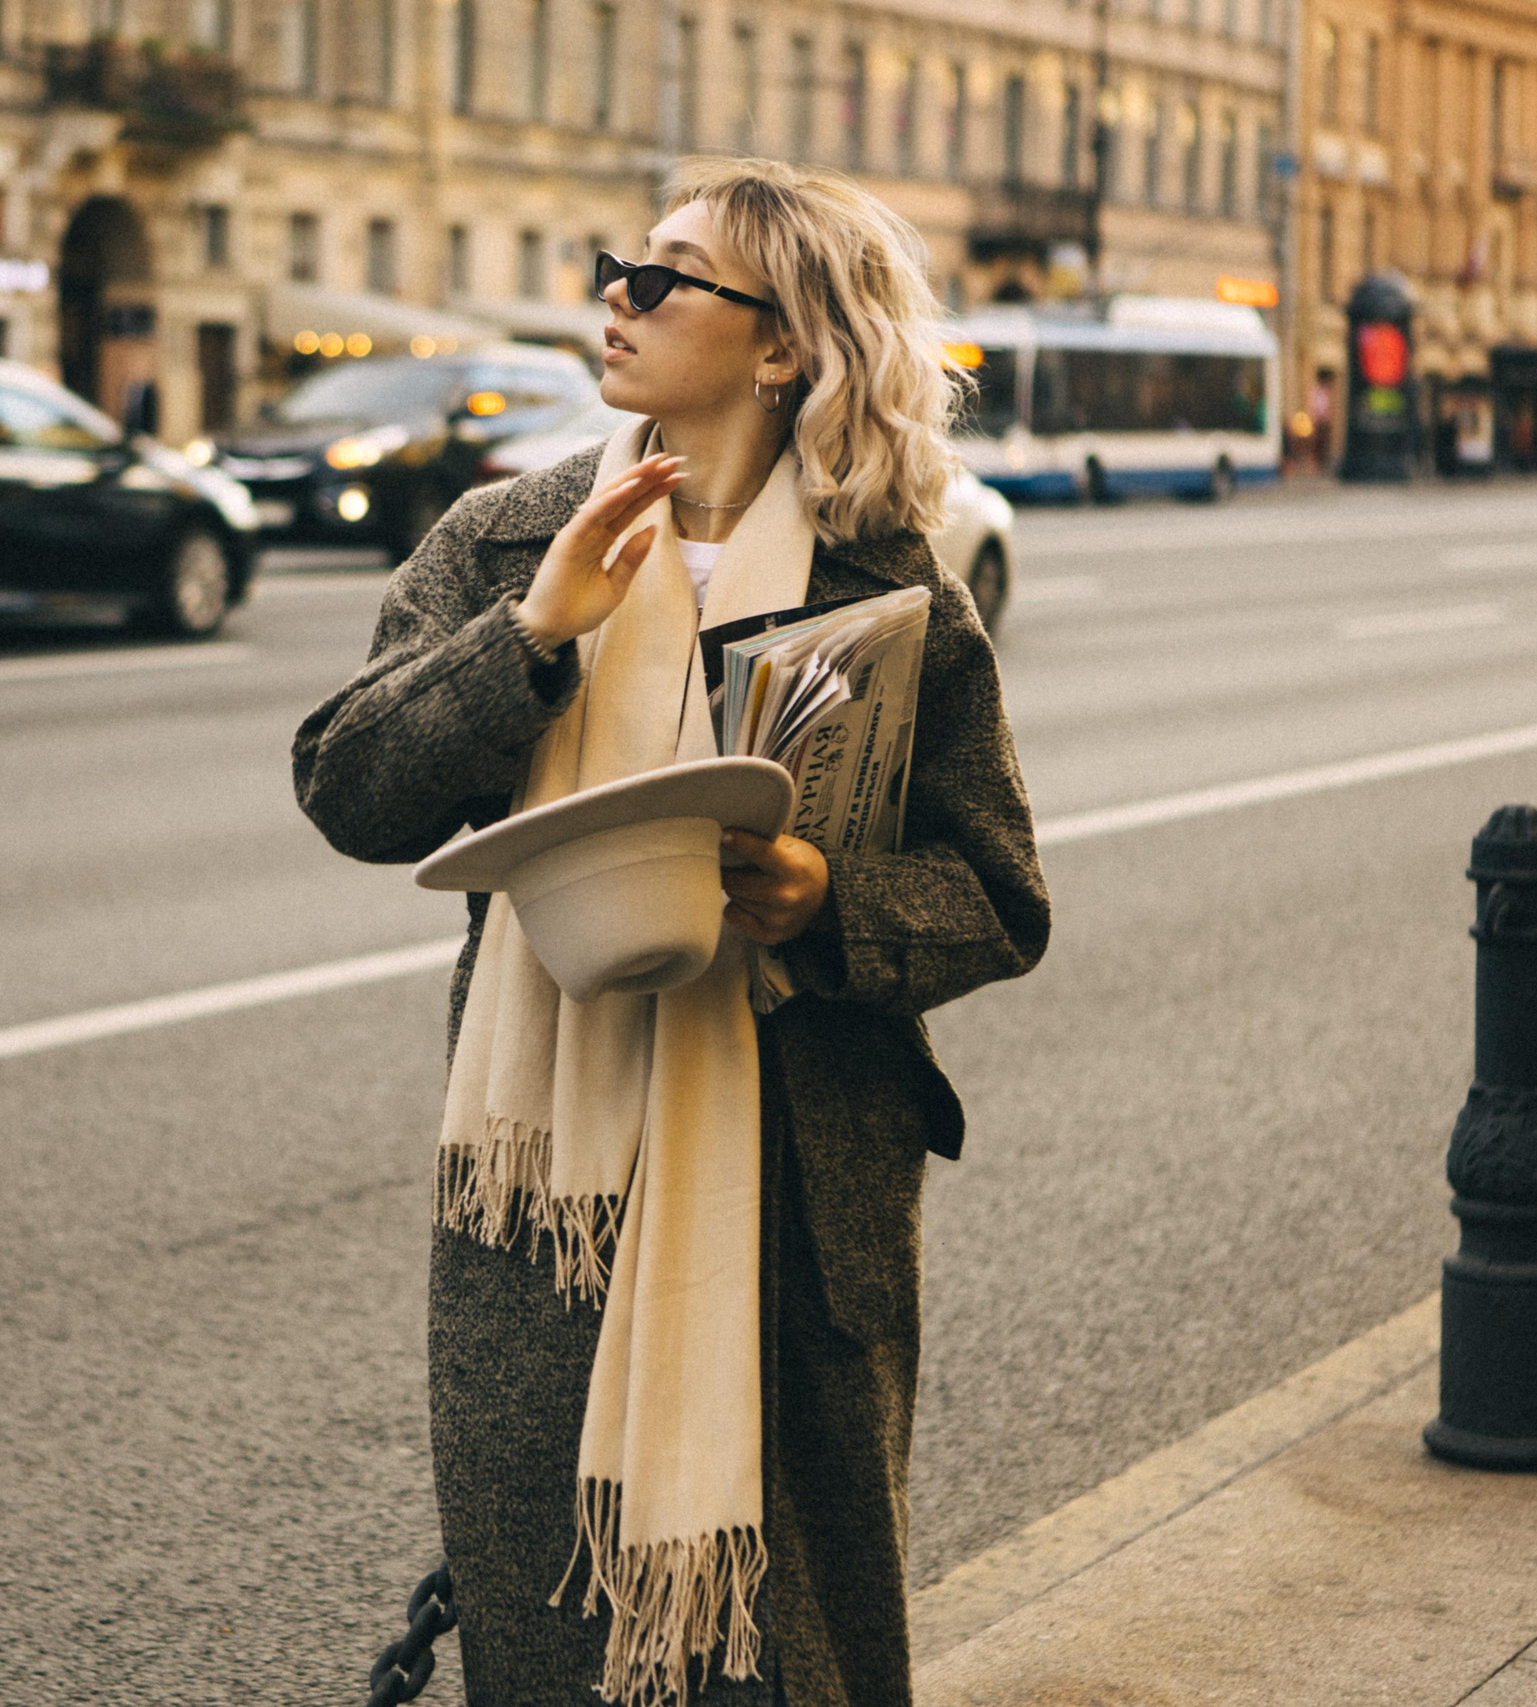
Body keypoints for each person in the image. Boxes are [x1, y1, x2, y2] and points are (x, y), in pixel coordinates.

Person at [292, 157, 1049, 1707]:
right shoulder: (509, 540)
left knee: (795, 1648)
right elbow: (351, 788)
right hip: (543, 1198)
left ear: (781, 345)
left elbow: (999, 893)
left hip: (800, 1183)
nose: (618, 301)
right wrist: (536, 637)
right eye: (618, 268)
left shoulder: (891, 587)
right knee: (553, 1620)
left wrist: (829, 904)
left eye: (667, 278)